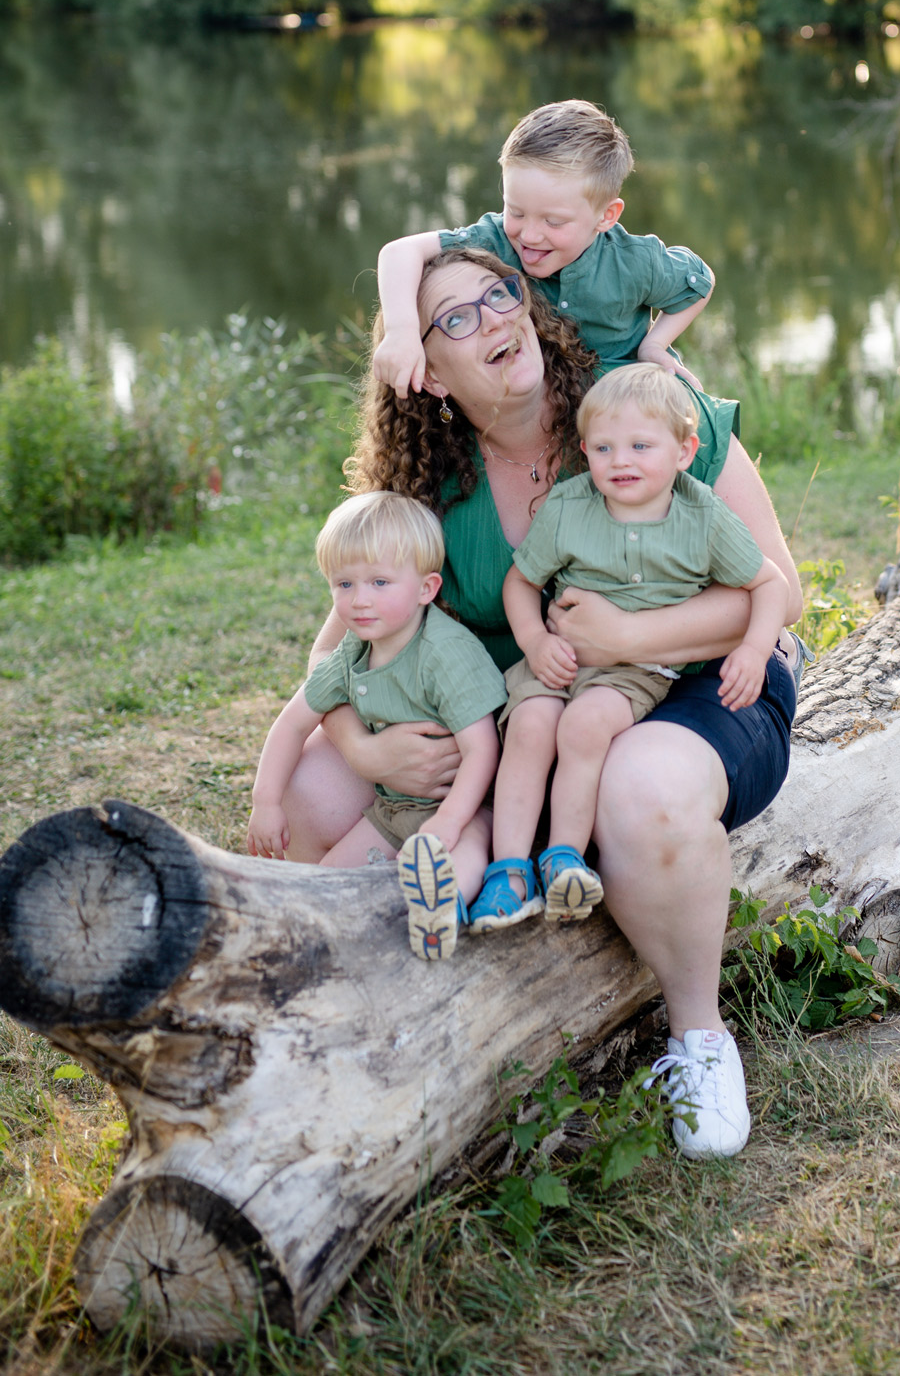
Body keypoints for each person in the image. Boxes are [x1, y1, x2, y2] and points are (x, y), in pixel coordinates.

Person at [280, 248, 804, 1159]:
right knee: (315, 793)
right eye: (453, 318)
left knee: (637, 786)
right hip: (532, 707)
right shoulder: (426, 483)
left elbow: (778, 592)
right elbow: (334, 659)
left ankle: (698, 1037)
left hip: (706, 684)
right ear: (427, 374)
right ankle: (370, 1022)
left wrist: (621, 640)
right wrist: (366, 753)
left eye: (499, 294)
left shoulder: (638, 412)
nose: (491, 317)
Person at [473, 363, 790, 936]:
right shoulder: (570, 507)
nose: (620, 461)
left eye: (641, 445)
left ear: (684, 451)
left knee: (586, 726)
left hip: (633, 673)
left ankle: (563, 859)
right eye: (603, 448)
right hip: (557, 657)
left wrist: (752, 648)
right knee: (529, 728)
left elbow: (770, 584)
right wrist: (535, 641)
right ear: (585, 451)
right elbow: (521, 582)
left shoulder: (702, 516)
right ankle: (507, 872)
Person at [246, 490, 506, 961]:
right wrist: (265, 802)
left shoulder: (445, 653)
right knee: (323, 890)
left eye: (379, 583)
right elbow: (291, 724)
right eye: (344, 585)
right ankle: (317, 944)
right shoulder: (352, 653)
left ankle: (439, 908)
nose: (359, 600)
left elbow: (482, 749)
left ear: (427, 588)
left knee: (466, 849)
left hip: (466, 803)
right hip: (392, 811)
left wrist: (448, 820)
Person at [372, 98, 715, 393]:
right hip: (537, 415)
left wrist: (654, 345)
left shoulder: (634, 262)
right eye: (516, 211)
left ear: (606, 216)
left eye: (553, 222)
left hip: (620, 411)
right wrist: (401, 332)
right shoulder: (494, 240)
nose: (530, 235)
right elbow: (399, 252)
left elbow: (698, 283)